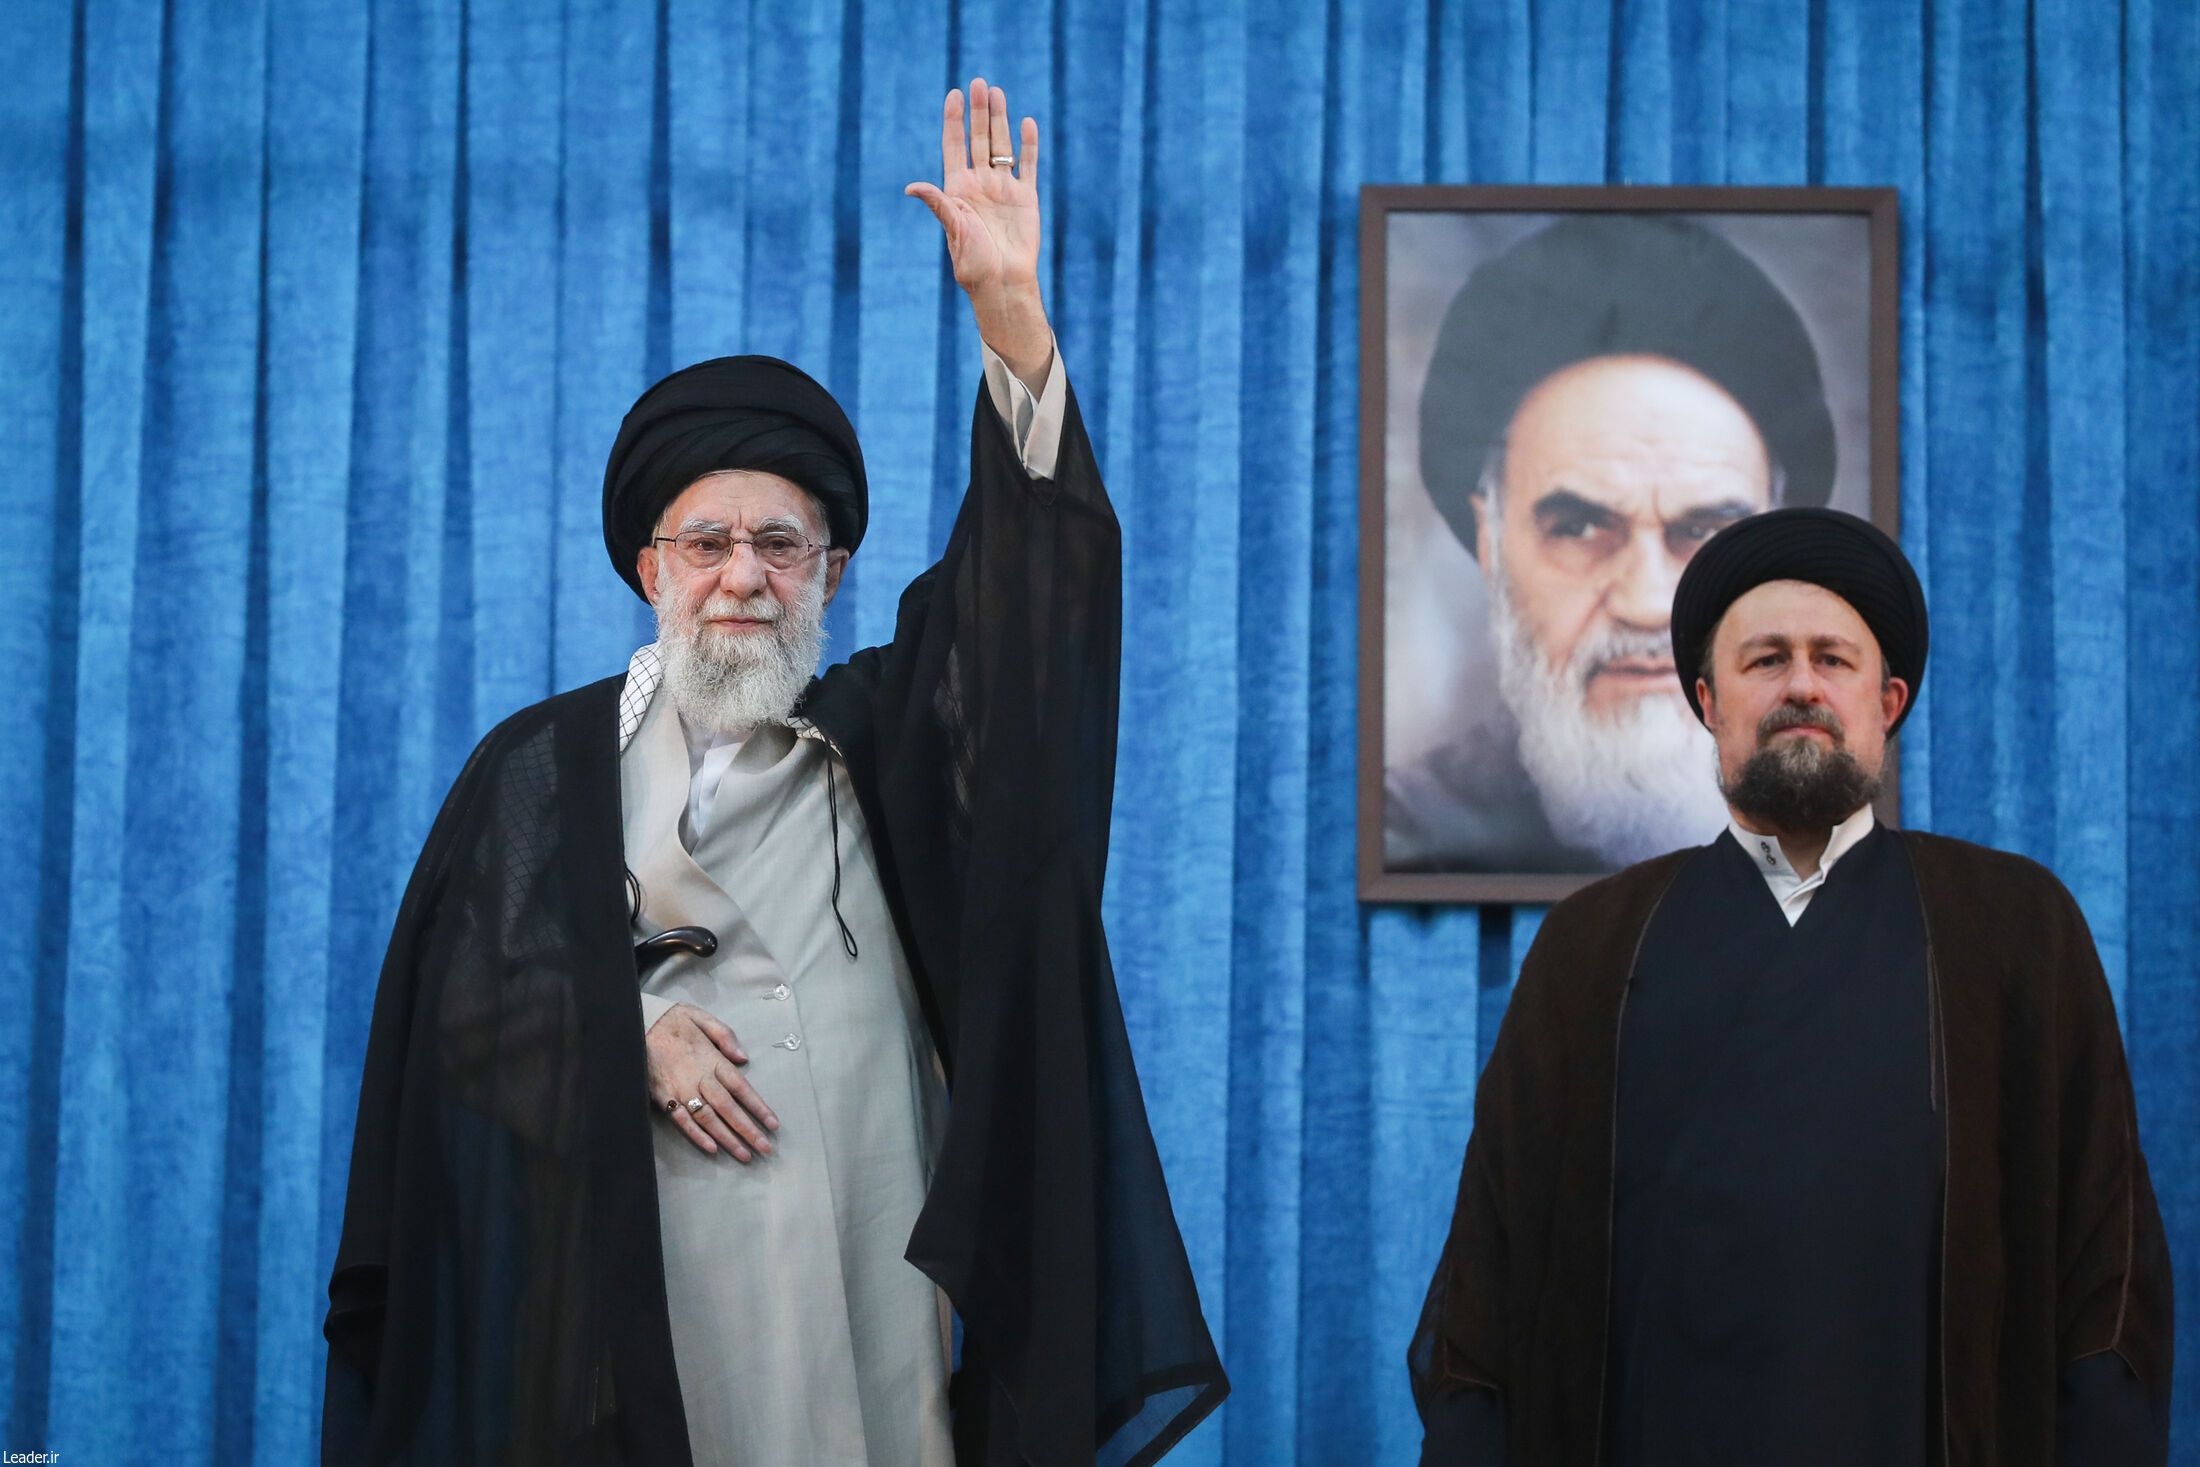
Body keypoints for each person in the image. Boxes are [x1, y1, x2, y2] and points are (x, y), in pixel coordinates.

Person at [323, 79, 1226, 1467]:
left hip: (874, 1259)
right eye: (707, 542)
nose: (744, 573)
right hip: (641, 1287)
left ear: (834, 568)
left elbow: (1030, 604)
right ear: (650, 566)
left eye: (781, 542)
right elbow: (454, 1021)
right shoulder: (541, 767)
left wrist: (1012, 327)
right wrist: (619, 1034)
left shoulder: (892, 732)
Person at [1410, 508, 2174, 1465]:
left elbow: (2104, 1265)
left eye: (1833, 658)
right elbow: (1492, 1271)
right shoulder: (1592, 945)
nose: (1801, 684)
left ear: (1888, 701)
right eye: (1765, 659)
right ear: (1707, 700)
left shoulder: (2016, 928)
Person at [1387, 215, 1842, 874]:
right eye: (1580, 528)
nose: (1650, 602)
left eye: (1706, 534)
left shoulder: (1851, 828)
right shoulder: (1410, 838)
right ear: (1491, 544)